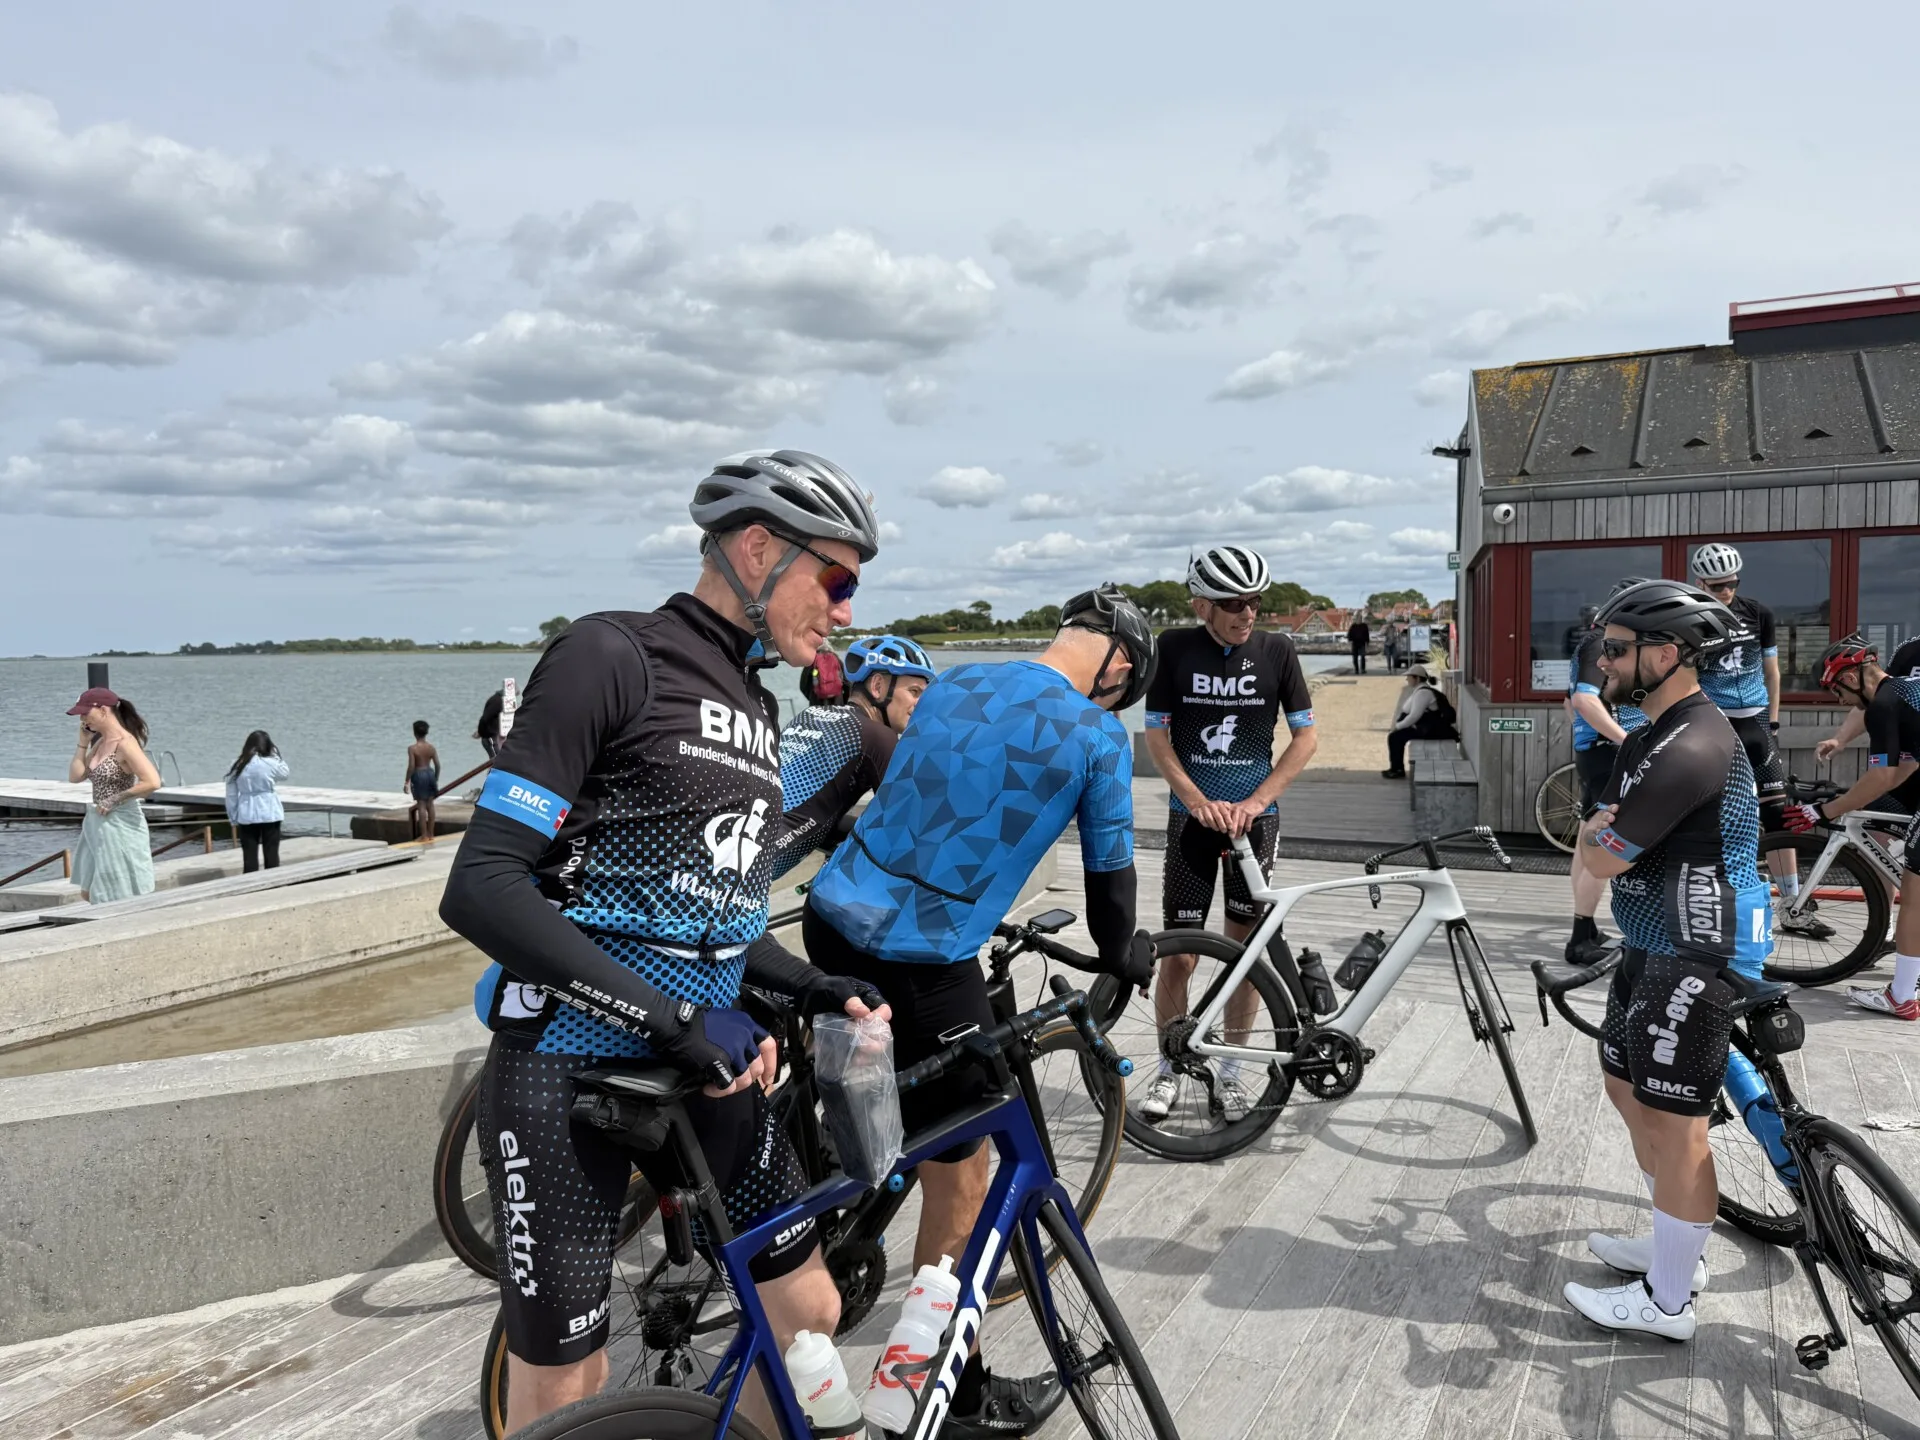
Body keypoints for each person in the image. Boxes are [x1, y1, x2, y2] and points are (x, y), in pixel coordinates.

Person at [439, 449, 890, 1436]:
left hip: (703, 1068)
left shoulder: (759, 705)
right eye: (837, 579)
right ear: (758, 548)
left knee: (808, 1313)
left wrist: (809, 985)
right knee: (567, 1380)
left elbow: (707, 918)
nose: (846, 609)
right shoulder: (612, 655)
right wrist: (674, 1017)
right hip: (567, 1071)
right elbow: (482, 887)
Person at [803, 583, 1157, 1435]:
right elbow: (1111, 891)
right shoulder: (1097, 735)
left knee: (863, 1090)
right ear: (1118, 668)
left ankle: (825, 1209)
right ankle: (945, 1394)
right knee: (962, 1176)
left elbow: (927, 800)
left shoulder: (953, 681)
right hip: (924, 961)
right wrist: (1125, 954)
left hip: (829, 917)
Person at [1565, 578, 1767, 1341]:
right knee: (1625, 1088)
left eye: (1616, 650)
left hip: (1696, 948)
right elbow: (1601, 835)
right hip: (1650, 941)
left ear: (1668, 654)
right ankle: (1672, 1242)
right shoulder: (1646, 734)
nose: (1602, 661)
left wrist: (1598, 833)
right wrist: (1601, 832)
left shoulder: (1693, 744)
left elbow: (1602, 852)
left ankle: (1670, 1301)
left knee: (1679, 1125)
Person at [1140, 545, 1318, 1122]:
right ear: (1202, 605)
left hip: (1254, 821)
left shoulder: (1277, 649)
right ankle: (1170, 1068)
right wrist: (1196, 802)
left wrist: (1256, 801)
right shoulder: (1173, 648)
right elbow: (1158, 737)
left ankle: (1234, 1073)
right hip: (1191, 819)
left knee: (1246, 956)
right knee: (1182, 954)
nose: (1248, 613)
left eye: (1255, 602)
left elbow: (1306, 739)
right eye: (1234, 603)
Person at [1784, 636, 1920, 1021]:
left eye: (1836, 689)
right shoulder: (1904, 690)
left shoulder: (1883, 706)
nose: (1840, 700)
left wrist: (1825, 811)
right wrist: (1854, 798)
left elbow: (1883, 775)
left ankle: (1902, 996)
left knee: (1914, 896)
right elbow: (1906, 767)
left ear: (1852, 677)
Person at [1688, 543, 1810, 935]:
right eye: (1717, 586)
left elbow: (1773, 672)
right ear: (1700, 583)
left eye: (1732, 584)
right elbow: (1687, 677)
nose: (1726, 591)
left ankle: (1793, 905)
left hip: (1755, 718)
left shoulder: (1758, 613)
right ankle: (1715, 902)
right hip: (1716, 719)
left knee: (1777, 813)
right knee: (1717, 814)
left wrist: (1772, 721)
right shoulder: (1690, 617)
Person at [767, 635, 936, 881]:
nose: (921, 704)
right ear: (878, 686)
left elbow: (813, 804)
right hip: (748, 873)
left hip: (735, 840)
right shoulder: (878, 736)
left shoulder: (811, 714)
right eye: (914, 692)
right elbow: (908, 822)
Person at [1564, 585, 1651, 963]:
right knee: (1603, 842)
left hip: (1594, 752)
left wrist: (1584, 736)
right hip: (1608, 754)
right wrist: (1625, 740)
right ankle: (1579, 939)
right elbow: (1582, 700)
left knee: (1587, 839)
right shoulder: (1601, 643)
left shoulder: (1589, 643)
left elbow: (1569, 704)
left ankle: (1585, 929)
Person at [64, 687, 159, 902]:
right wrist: (83, 743)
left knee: (117, 890)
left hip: (121, 821)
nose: (82, 718)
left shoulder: (125, 743)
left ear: (103, 710)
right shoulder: (101, 742)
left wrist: (115, 798)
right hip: (97, 822)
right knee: (88, 890)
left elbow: (152, 781)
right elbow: (76, 776)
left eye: (85, 712)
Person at [223, 730, 289, 872]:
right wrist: (275, 755)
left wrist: (233, 816)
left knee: (249, 856)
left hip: (246, 812)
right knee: (271, 853)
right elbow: (285, 773)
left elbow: (231, 795)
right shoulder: (270, 763)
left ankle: (250, 881)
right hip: (270, 811)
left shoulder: (237, 764)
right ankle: (272, 881)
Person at [1379, 664, 1458, 779]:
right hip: (1424, 728)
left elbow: (1414, 716)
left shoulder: (1423, 693)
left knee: (1395, 737)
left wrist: (1398, 726)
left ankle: (1397, 770)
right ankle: (1396, 768)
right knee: (1395, 737)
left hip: (1429, 731)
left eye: (1409, 676)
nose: (1407, 679)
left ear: (1417, 678)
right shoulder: (1420, 690)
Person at [404, 721, 439, 843]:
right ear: (426, 732)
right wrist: (436, 777)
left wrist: (407, 781)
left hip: (419, 774)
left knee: (422, 805)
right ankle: (431, 834)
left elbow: (411, 766)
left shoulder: (412, 749)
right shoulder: (431, 748)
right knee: (430, 804)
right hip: (430, 773)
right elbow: (438, 765)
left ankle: (424, 835)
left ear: (414, 733)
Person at [475, 690, 505, 760]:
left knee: (493, 742)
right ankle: (495, 758)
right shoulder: (497, 701)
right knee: (489, 741)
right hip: (493, 726)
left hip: (493, 727)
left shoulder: (496, 701)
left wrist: (480, 731)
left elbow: (485, 718)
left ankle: (496, 758)